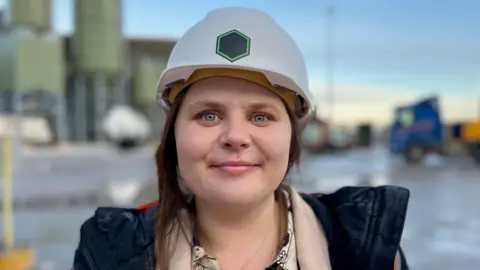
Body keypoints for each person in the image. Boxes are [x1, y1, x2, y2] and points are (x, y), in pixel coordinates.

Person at [72, 6, 410, 270]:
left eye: (261, 116)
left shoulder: (370, 250)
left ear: (292, 136)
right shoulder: (109, 252)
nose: (235, 137)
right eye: (209, 115)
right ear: (173, 133)